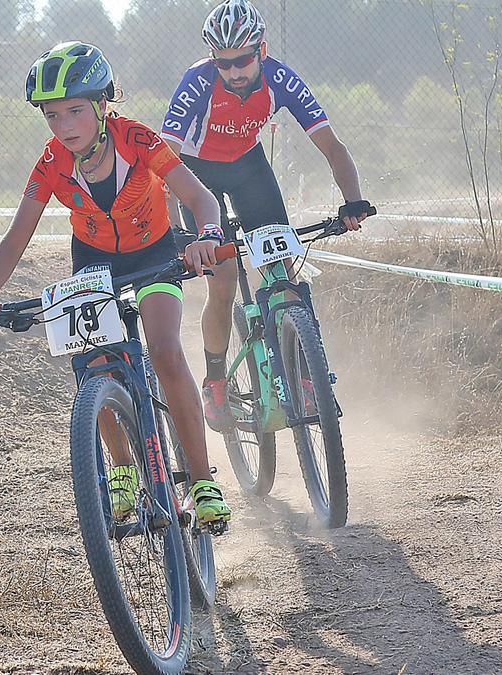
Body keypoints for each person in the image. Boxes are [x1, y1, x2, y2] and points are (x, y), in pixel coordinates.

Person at [0, 42, 233, 526]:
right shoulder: (50, 163)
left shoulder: (139, 140)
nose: (64, 126)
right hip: (93, 264)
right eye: (51, 116)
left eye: (74, 111)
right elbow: (15, 236)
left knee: (166, 350)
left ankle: (201, 479)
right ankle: (124, 469)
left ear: (102, 105)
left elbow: (201, 197)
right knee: (94, 365)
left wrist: (206, 238)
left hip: (154, 254)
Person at [161, 0, 372, 431]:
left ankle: (306, 370)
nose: (235, 72)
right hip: (197, 176)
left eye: (243, 60)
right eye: (224, 63)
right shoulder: (196, 82)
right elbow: (165, 164)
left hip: (249, 169)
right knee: (221, 284)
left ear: (262, 49)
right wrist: (175, 232)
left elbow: (332, 146)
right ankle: (215, 383)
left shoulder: (281, 78)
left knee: (284, 272)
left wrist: (352, 201)